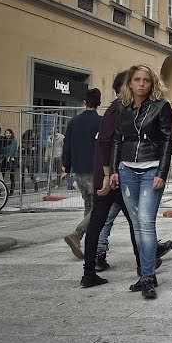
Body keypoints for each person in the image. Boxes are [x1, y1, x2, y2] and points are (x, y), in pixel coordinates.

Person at [109, 65, 172, 299]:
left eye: (146, 80)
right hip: (126, 171)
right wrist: (114, 170)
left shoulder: (161, 106)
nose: (141, 84)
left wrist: (162, 173)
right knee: (137, 226)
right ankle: (147, 274)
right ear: (130, 83)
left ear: (152, 83)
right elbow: (117, 139)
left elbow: (168, 140)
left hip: (151, 170)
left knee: (146, 224)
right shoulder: (122, 107)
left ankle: (147, 277)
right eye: (136, 79)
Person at [80, 72, 140, 287]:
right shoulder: (117, 109)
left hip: (111, 176)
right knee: (135, 222)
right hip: (112, 178)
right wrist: (107, 176)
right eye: (135, 82)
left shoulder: (121, 108)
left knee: (99, 222)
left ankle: (89, 273)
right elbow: (105, 142)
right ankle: (142, 267)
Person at [61, 88, 103, 259]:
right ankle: (77, 235)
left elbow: (67, 145)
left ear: (84, 102)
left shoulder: (74, 122)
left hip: (78, 171)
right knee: (98, 208)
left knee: (88, 205)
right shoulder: (101, 122)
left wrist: (66, 167)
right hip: (95, 170)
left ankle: (86, 240)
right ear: (99, 103)